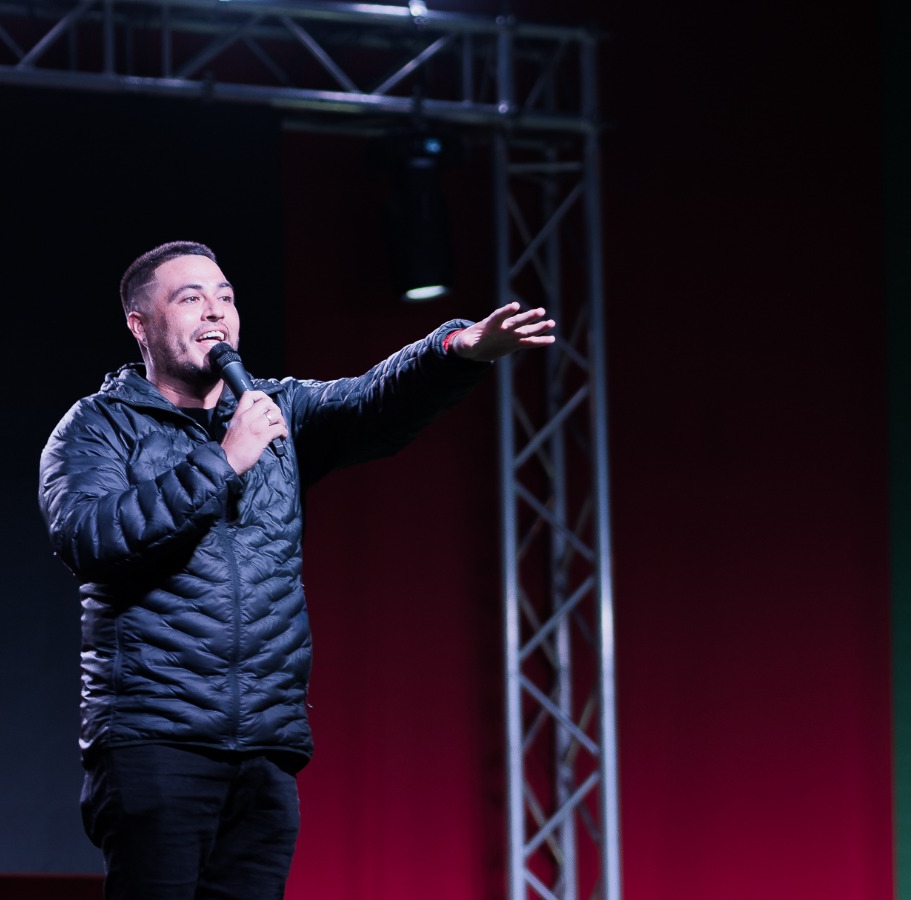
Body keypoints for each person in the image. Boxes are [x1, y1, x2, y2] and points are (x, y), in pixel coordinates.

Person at [37, 240, 554, 899]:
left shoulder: (275, 410)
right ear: (140, 323)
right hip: (155, 742)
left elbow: (372, 400)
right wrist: (221, 463)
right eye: (191, 298)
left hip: (265, 747)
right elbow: (91, 538)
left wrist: (455, 350)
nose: (216, 312)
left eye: (225, 296)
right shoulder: (98, 427)